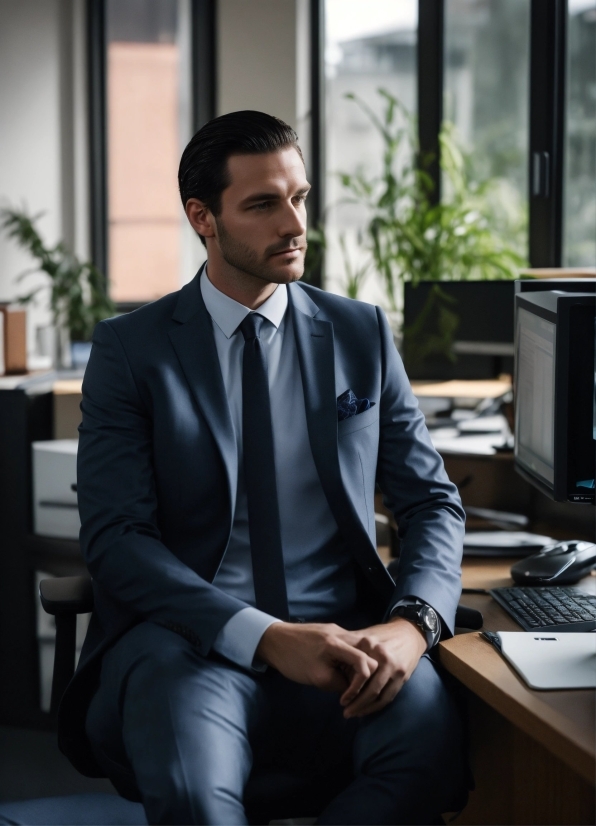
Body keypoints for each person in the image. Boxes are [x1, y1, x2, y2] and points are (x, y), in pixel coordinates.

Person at [62, 110, 468, 825]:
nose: (293, 224)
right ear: (203, 217)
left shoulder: (360, 332)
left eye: (300, 198)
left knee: (429, 758)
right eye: (262, 204)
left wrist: (414, 623)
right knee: (196, 797)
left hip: (352, 638)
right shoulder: (133, 350)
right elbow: (117, 540)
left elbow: (432, 502)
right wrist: (266, 636)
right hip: (190, 643)